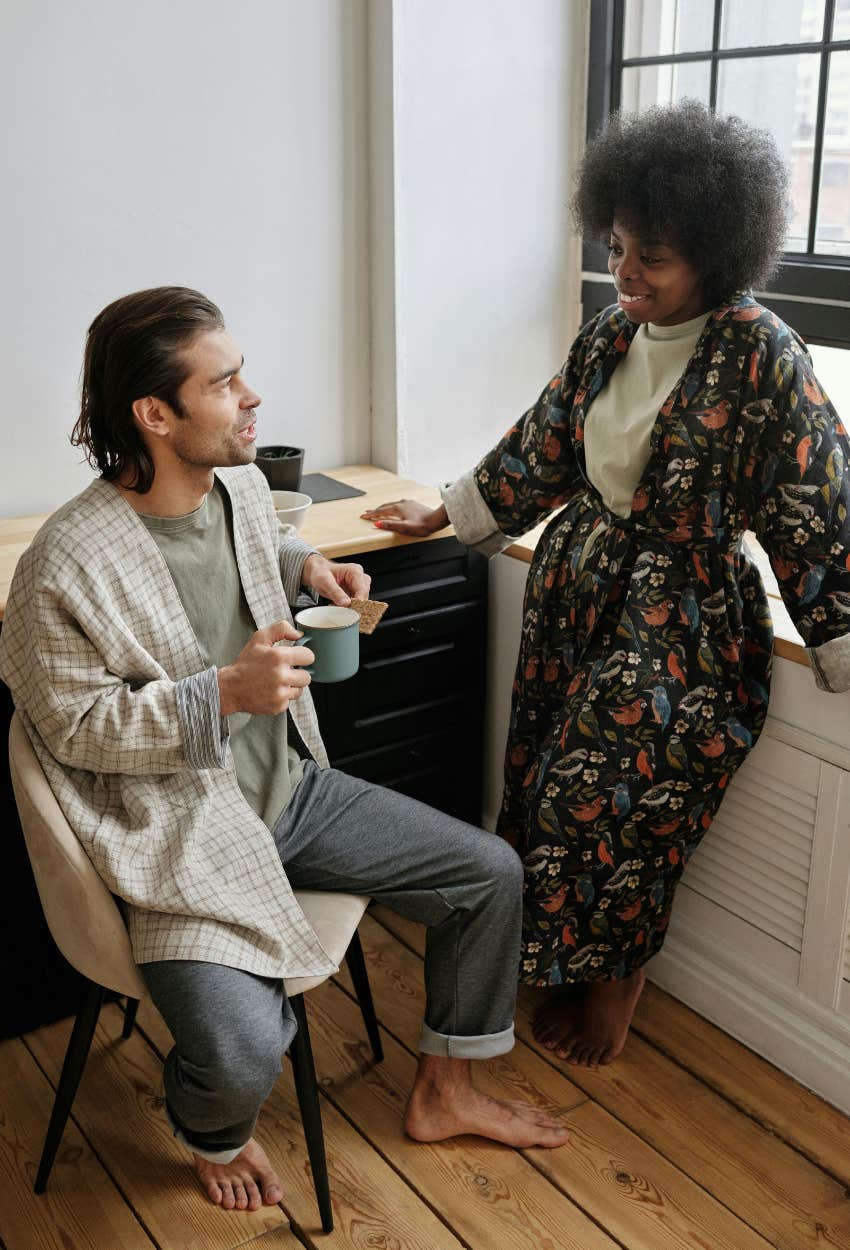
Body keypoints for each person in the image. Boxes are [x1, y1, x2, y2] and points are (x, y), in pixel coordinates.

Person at [0, 287, 569, 1214]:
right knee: (241, 1052)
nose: (252, 397)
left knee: (490, 873)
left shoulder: (242, 486)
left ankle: (447, 1090)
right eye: (224, 384)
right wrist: (222, 693)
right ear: (155, 414)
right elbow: (72, 729)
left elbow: (264, 535)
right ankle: (210, 1128)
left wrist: (310, 567)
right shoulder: (66, 561)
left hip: (289, 793)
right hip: (176, 829)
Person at [362, 101, 850, 1071]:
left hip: (684, 622)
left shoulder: (763, 357)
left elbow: (814, 498)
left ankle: (615, 985)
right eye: (618, 247)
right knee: (543, 784)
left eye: (651, 258)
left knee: (626, 800)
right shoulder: (608, 335)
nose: (625, 274)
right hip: (576, 587)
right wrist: (445, 511)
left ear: (715, 253)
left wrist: (835, 635)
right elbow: (544, 443)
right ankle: (554, 957)